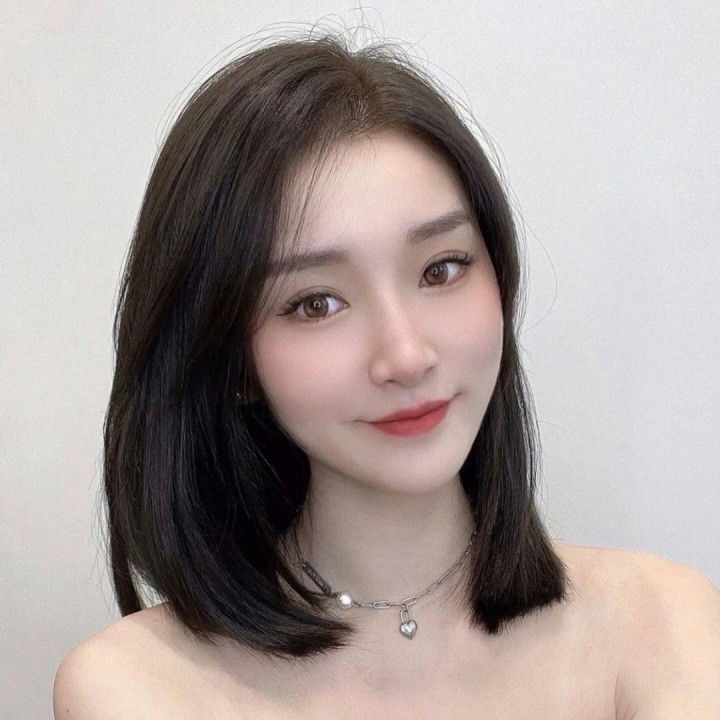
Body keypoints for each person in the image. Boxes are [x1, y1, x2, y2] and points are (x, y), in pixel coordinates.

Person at [54, 30, 720, 718]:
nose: (405, 356)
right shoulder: (135, 687)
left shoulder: (663, 625)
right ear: (230, 357)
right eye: (316, 303)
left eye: (441, 269)